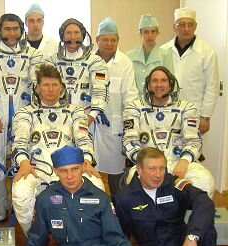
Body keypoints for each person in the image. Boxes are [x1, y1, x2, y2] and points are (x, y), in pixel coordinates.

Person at [3, 145, 144, 246]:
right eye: (63, 171)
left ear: (83, 167)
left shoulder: (100, 199)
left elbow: (116, 237)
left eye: (75, 169)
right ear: (55, 171)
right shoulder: (45, 199)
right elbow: (38, 236)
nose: (70, 176)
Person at [12, 64, 105, 246]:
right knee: (20, 192)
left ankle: (82, 242)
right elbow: (20, 141)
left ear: (62, 87)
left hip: (69, 168)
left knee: (97, 187)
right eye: (46, 85)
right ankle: (35, 245)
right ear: (38, 88)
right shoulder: (25, 113)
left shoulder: (75, 112)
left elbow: (83, 138)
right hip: (37, 168)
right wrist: (23, 162)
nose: (50, 89)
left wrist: (86, 159)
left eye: (55, 85)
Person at [113, 147, 228, 246]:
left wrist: (191, 237)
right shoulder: (124, 198)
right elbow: (121, 235)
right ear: (139, 169)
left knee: (204, 221)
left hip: (185, 243)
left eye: (162, 168)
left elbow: (204, 201)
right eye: (152, 169)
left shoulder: (174, 184)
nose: (158, 174)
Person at [0, 14, 42, 222]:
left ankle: (19, 201)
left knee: (24, 156)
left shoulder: (33, 54)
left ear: (21, 31)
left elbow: (36, 83)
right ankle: (2, 203)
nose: (11, 33)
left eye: (15, 29)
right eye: (7, 29)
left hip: (24, 113)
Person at [122, 66, 215, 198]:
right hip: (147, 164)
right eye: (154, 81)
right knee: (134, 179)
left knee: (205, 182)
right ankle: (145, 217)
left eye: (163, 80)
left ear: (171, 85)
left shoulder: (187, 108)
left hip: (178, 162)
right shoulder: (134, 108)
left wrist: (184, 161)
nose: (159, 85)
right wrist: (144, 163)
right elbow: (129, 141)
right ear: (148, 85)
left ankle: (192, 219)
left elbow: (193, 141)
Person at [93, 17, 138, 195]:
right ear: (97, 40)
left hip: (114, 125)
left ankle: (119, 208)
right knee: (89, 168)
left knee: (116, 171)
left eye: (113, 39)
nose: (109, 43)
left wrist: (130, 124)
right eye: (105, 39)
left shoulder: (124, 63)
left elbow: (131, 96)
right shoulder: (89, 60)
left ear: (118, 40)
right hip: (91, 124)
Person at [161, 7, 219, 134]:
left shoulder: (207, 52)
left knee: (192, 151)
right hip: (167, 112)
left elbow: (212, 86)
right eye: (181, 24)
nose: (186, 29)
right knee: (166, 150)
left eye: (190, 24)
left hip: (194, 115)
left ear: (195, 26)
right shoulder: (163, 51)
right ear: (174, 27)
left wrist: (205, 116)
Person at [46, 18, 108, 125]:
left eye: (76, 33)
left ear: (83, 35)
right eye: (68, 33)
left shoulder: (96, 62)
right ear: (62, 36)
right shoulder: (51, 62)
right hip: (56, 118)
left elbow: (100, 90)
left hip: (86, 117)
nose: (73, 37)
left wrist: (91, 117)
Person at [127, 14, 174, 95]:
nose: (150, 35)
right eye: (146, 32)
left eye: (153, 31)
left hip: (158, 101)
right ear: (140, 33)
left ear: (157, 33)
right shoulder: (130, 56)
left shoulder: (165, 55)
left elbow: (170, 82)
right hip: (135, 102)